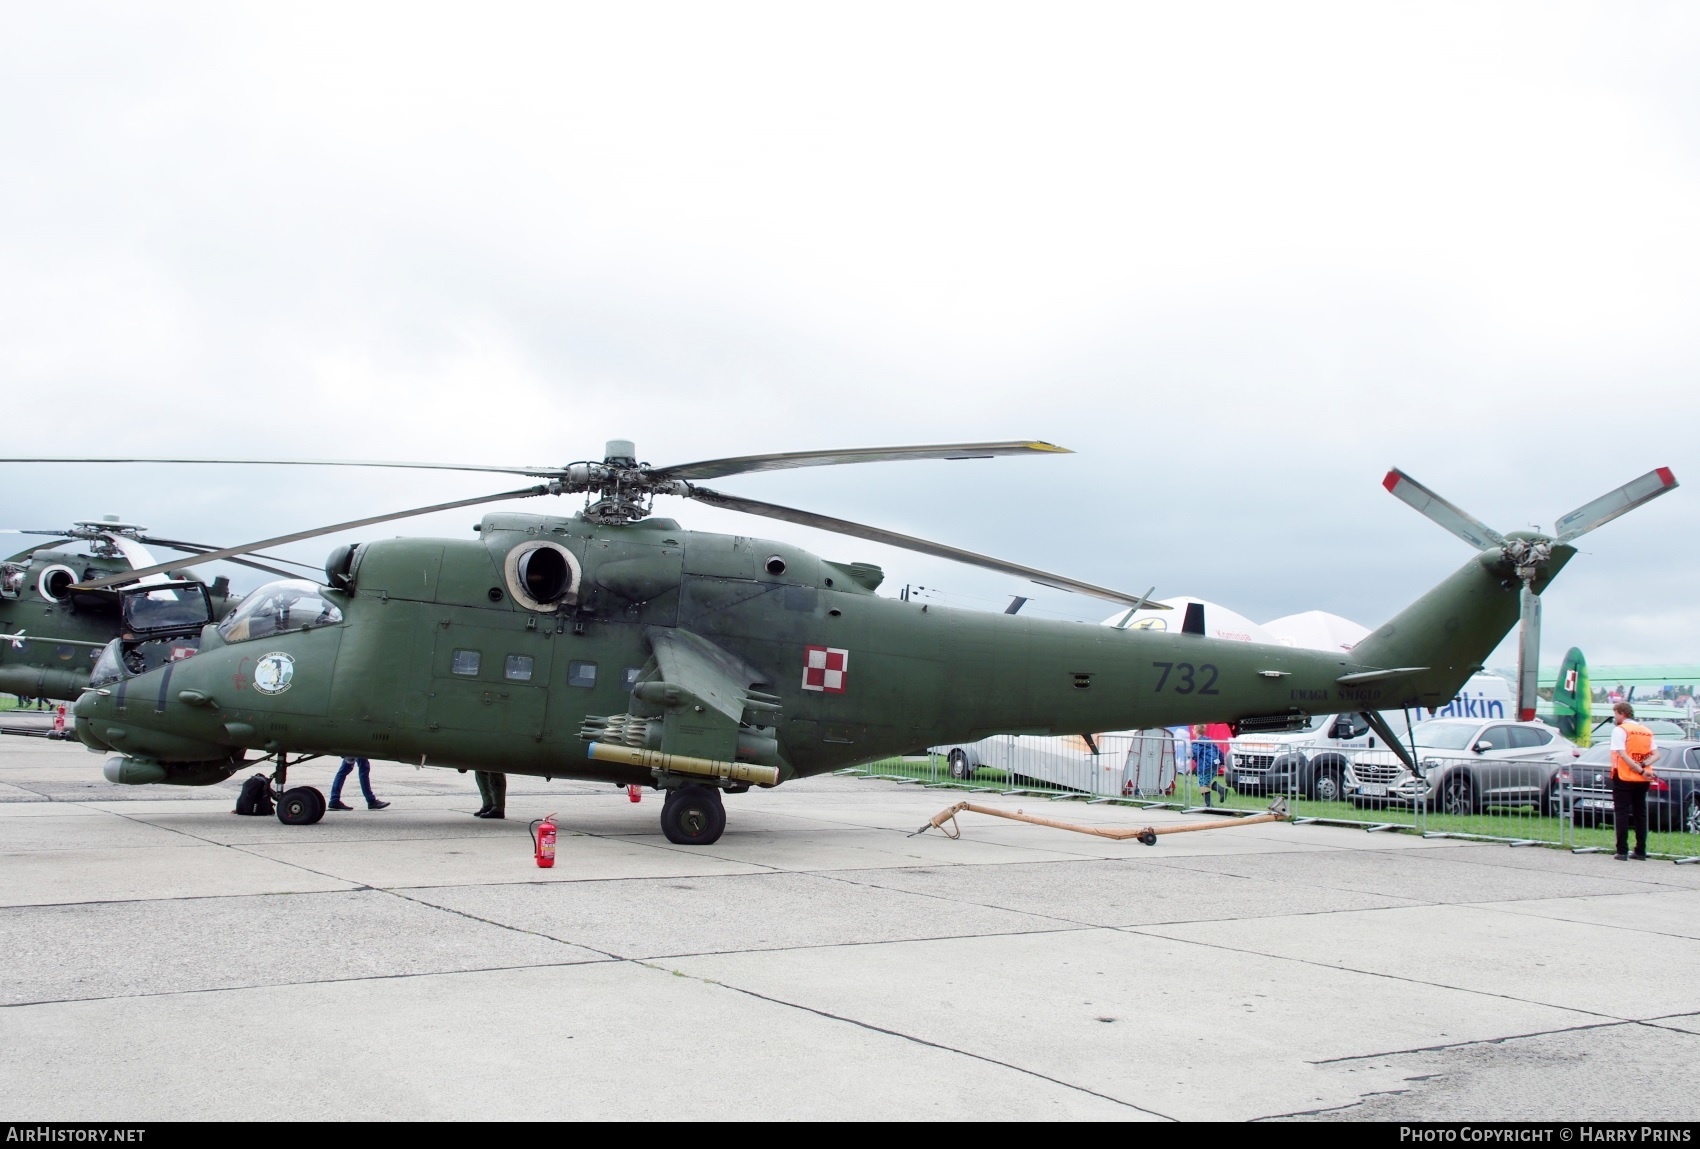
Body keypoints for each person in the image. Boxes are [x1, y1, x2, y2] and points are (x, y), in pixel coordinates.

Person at [1608, 702, 1658, 860]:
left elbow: (1622, 754)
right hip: (1643, 778)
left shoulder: (1620, 730)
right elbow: (1656, 755)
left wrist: (1638, 768)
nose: (1615, 717)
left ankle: (1622, 851)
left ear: (1622, 713)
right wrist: (1643, 767)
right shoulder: (1646, 731)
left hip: (1624, 775)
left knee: (1621, 812)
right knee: (1640, 813)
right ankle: (1640, 850)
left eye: (1615, 714)